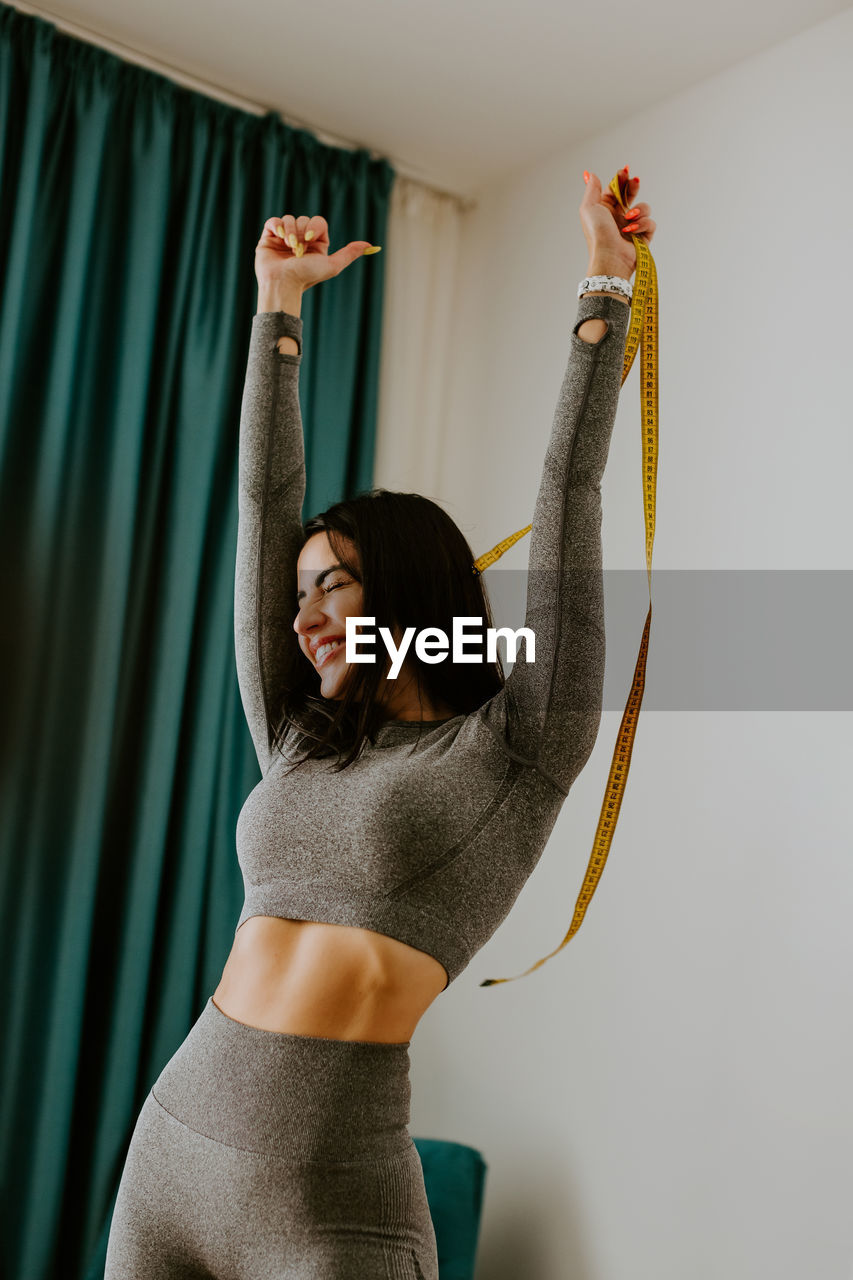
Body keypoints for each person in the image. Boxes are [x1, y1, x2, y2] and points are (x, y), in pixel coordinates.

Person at [104, 168, 656, 1279]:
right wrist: (278, 312)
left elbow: (568, 492)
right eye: (298, 589)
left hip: (332, 1205)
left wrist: (605, 292)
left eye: (333, 585)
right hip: (169, 1154)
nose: (300, 614)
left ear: (407, 588)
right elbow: (264, 510)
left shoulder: (516, 745)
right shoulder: (304, 734)